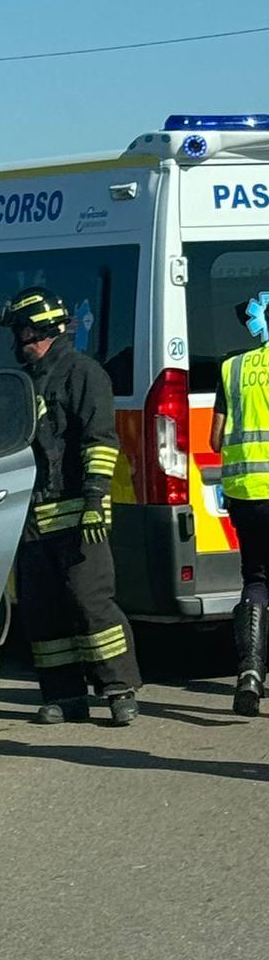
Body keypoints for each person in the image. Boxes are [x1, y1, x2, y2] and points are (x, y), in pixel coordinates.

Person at [0, 286, 141, 726]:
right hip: (33, 518)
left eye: (20, 330)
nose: (17, 339)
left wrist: (96, 498)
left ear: (36, 329)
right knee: (43, 611)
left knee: (90, 603)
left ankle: (119, 689)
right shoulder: (25, 382)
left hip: (80, 513)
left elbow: (101, 440)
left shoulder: (84, 374)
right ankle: (64, 695)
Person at [210, 292, 269, 714]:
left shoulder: (232, 367)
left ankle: (249, 672)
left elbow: (215, 438)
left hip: (245, 494)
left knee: (256, 577)